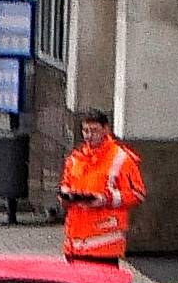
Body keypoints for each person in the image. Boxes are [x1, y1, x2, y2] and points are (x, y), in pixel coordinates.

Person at [58, 109, 145, 264]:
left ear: (106, 130)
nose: (89, 135)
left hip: (104, 247)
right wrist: (65, 197)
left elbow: (138, 194)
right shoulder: (75, 159)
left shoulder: (121, 158)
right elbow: (66, 184)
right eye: (85, 131)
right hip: (75, 245)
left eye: (94, 130)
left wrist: (106, 199)